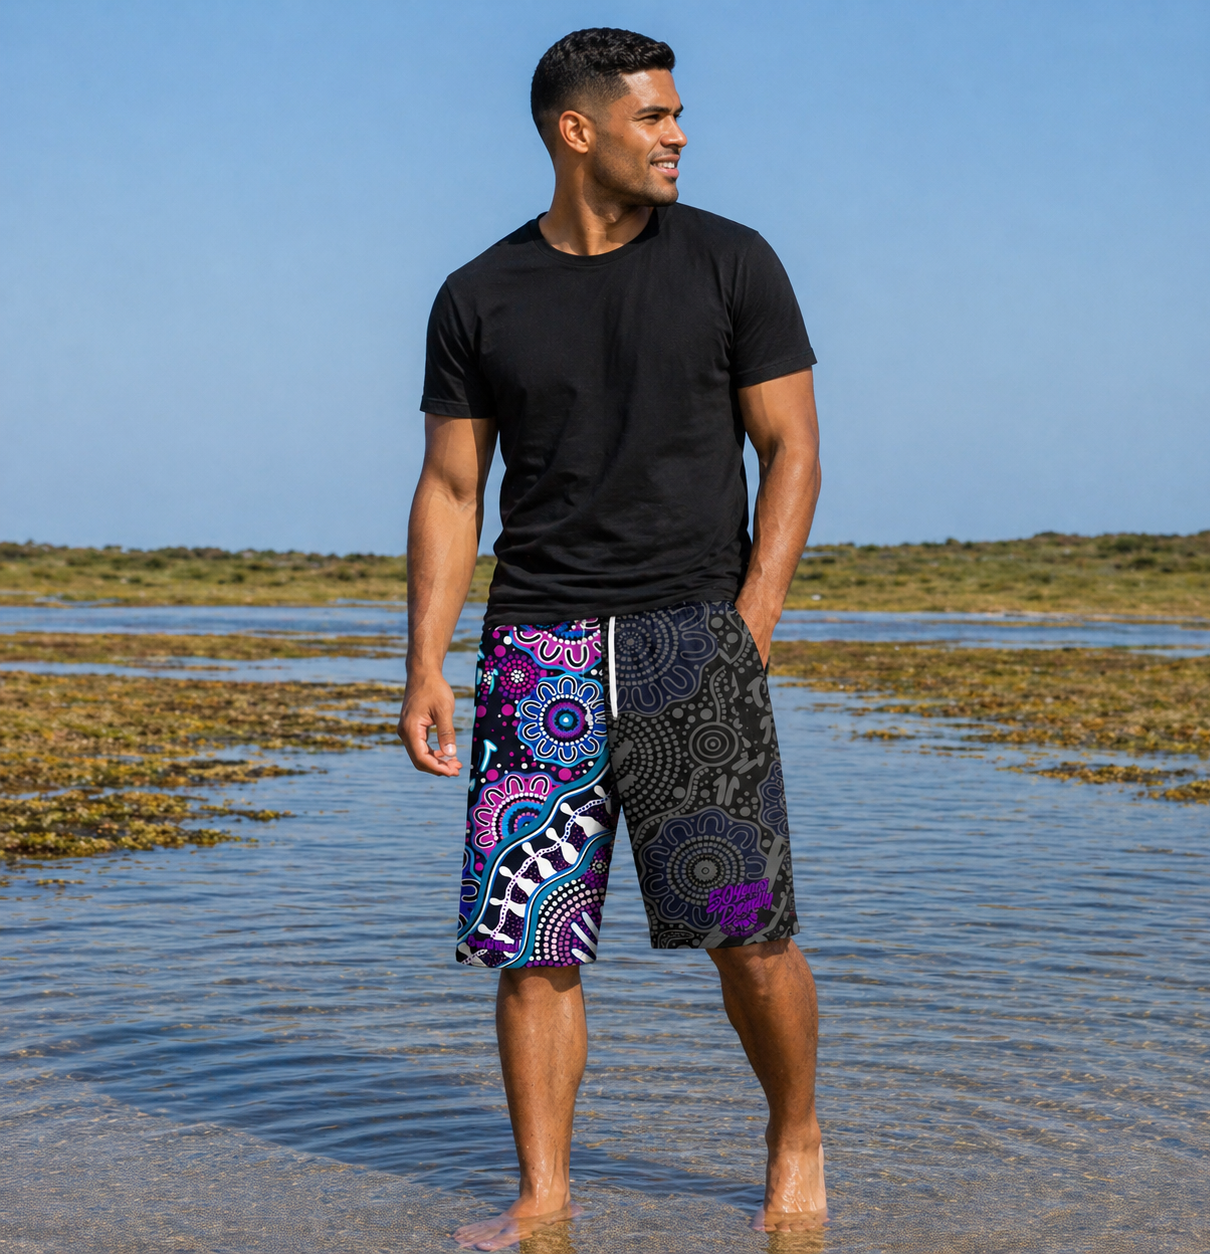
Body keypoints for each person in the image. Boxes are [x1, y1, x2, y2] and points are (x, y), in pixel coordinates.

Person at [397, 27, 824, 1252]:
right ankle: (544, 1199)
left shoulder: (733, 263)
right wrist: (426, 662)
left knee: (746, 932)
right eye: (655, 116)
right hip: (537, 654)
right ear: (577, 131)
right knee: (530, 944)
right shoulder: (479, 294)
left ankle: (795, 1134)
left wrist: (749, 625)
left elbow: (791, 450)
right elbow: (451, 489)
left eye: (677, 113)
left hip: (693, 642)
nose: (679, 133)